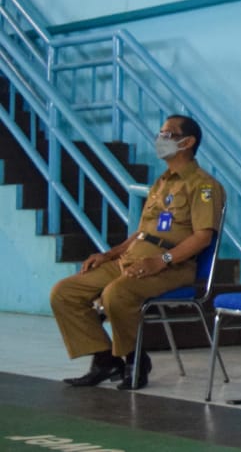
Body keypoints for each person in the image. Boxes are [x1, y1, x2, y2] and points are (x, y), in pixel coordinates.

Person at [50, 114, 225, 391]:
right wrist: (109, 254)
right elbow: (142, 233)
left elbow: (203, 238)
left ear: (188, 142)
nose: (160, 139)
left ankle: (135, 360)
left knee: (116, 294)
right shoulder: (162, 183)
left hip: (172, 267)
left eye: (168, 134)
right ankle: (105, 360)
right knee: (65, 292)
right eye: (161, 133)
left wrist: (161, 260)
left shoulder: (204, 186)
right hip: (132, 259)